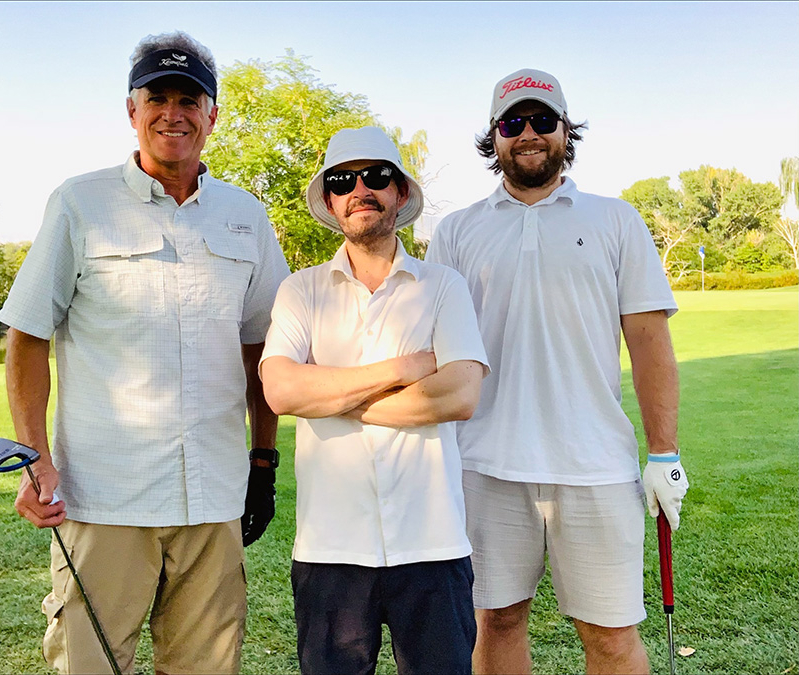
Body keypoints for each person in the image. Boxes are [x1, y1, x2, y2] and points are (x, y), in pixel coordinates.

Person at [0, 31, 290, 675]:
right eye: (158, 96)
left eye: (191, 98)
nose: (174, 113)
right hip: (103, 498)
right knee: (91, 666)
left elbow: (264, 351)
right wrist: (34, 457)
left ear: (212, 115)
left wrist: (263, 463)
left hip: (213, 499)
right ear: (131, 110)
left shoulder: (247, 217)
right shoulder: (80, 202)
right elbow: (27, 337)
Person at [425, 69, 690, 675]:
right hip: (483, 465)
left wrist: (663, 453)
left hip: (594, 464)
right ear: (494, 137)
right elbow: (432, 349)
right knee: (496, 623)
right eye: (512, 123)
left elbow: (650, 342)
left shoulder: (615, 219)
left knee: (612, 639)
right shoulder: (456, 231)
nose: (528, 134)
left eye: (542, 121)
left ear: (567, 132)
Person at [259, 126, 490, 675]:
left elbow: (459, 393)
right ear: (332, 200)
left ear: (400, 193)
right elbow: (280, 390)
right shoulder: (301, 291)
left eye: (377, 176)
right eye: (343, 180)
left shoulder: (444, 286)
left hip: (432, 545)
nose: (360, 189)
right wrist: (408, 368)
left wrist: (331, 393)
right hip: (330, 549)